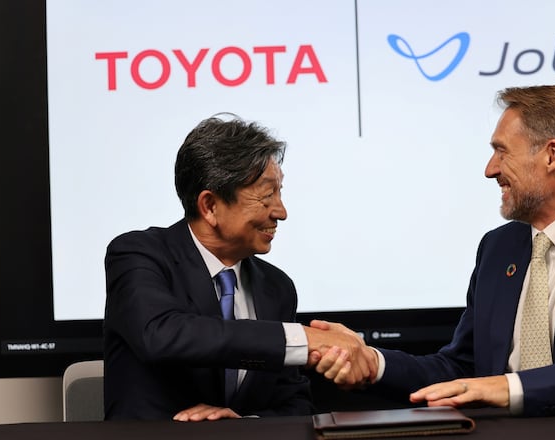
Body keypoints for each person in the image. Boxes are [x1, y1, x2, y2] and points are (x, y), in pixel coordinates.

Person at [314, 85, 555, 416]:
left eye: (501, 151)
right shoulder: (498, 247)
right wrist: (374, 363)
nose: (490, 169)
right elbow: (461, 370)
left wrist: (512, 389)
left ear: (552, 155)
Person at [103, 114, 373, 421]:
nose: (281, 212)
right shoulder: (139, 254)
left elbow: (296, 405)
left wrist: (244, 426)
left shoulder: (277, 287)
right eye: (267, 194)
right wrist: (302, 338)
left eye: (280, 192)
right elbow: (162, 334)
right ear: (210, 206)